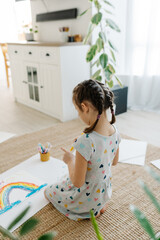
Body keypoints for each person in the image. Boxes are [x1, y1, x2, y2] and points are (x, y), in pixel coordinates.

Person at [44, 79, 121, 221]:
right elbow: (114, 161)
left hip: (87, 199)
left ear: (84, 107)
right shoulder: (115, 131)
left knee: (48, 191)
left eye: (77, 110)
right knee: (65, 181)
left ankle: (88, 212)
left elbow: (77, 182)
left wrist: (70, 160)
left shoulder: (85, 141)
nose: (78, 115)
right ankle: (100, 206)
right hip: (103, 193)